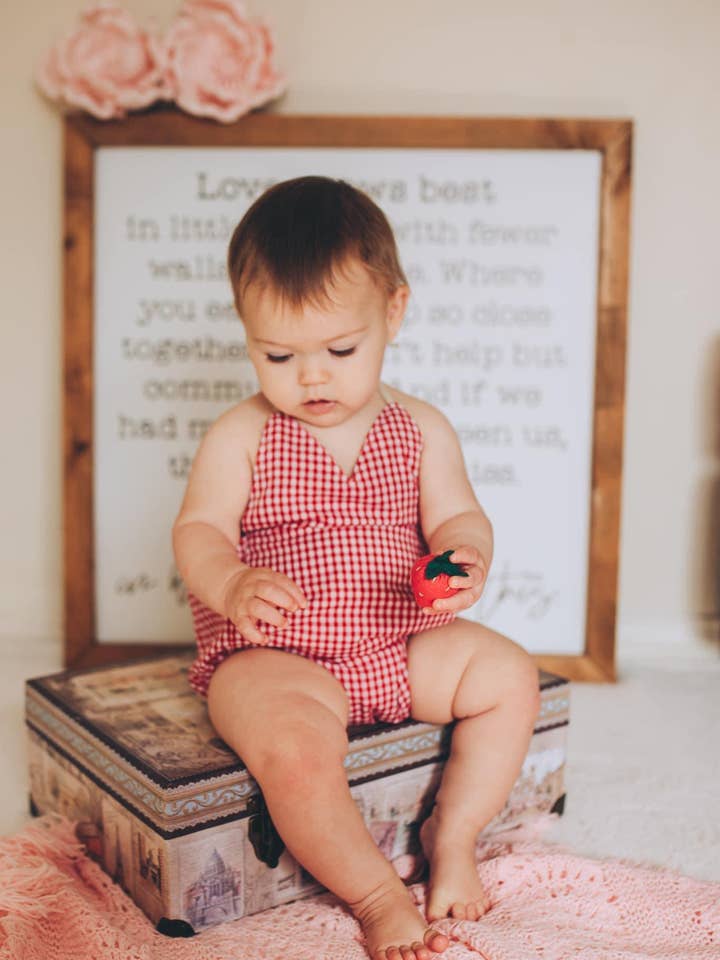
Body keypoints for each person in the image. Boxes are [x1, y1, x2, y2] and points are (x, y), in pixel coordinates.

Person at [173, 176, 540, 960]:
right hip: (275, 655)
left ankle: (454, 833)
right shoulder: (240, 435)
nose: (312, 377)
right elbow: (198, 530)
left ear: (393, 313)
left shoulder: (421, 428)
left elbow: (458, 516)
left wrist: (464, 556)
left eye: (340, 350)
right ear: (247, 333)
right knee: (292, 748)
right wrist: (231, 582)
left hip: (396, 643)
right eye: (278, 355)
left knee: (509, 676)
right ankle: (375, 894)